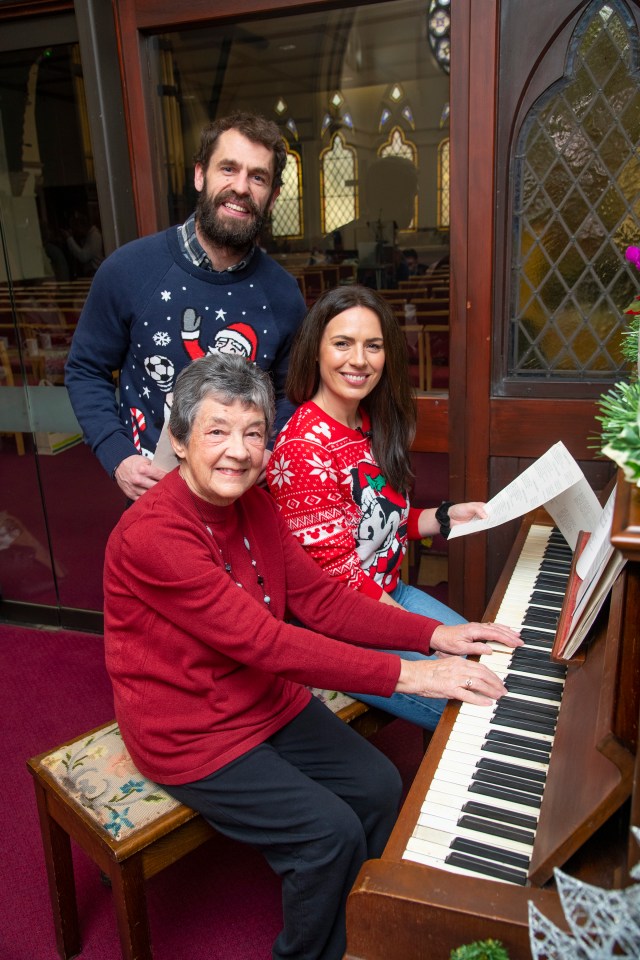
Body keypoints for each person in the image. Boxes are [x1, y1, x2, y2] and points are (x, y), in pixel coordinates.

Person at [103, 352, 520, 960]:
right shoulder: (153, 535)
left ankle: (362, 936)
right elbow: (267, 642)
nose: (238, 452)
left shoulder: (255, 504)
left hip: (261, 698)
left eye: (252, 433)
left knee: (378, 785)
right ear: (180, 439)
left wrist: (432, 636)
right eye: (216, 431)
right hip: (191, 729)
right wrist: (413, 675)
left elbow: (321, 600)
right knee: (326, 835)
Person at [266, 284, 486, 729]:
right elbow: (339, 579)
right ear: (314, 352)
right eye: (342, 343)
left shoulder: (368, 422)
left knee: (492, 667)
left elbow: (382, 523)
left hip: (388, 597)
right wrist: (429, 637)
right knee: (481, 707)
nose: (359, 360)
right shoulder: (304, 448)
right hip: (339, 627)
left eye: (373, 346)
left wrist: (444, 518)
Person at [65, 112, 306, 501]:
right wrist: (116, 455)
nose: (240, 187)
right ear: (200, 175)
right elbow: (85, 368)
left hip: (242, 498)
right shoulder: (128, 270)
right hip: (153, 496)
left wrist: (271, 448)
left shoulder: (283, 295)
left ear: (273, 196)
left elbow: (291, 392)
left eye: (257, 177)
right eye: (228, 168)